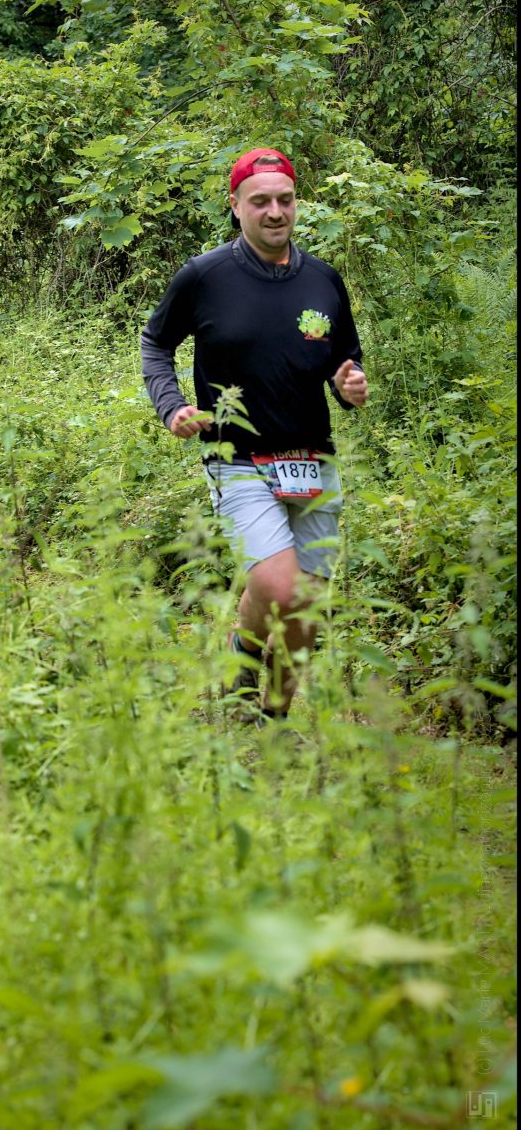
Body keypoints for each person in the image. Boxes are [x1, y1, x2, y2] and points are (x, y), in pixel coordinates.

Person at [141, 147, 368, 726]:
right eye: (260, 201)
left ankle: (270, 716)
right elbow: (156, 344)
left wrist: (349, 385)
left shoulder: (323, 279)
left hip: (313, 458)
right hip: (238, 457)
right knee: (282, 588)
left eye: (285, 200)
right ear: (236, 205)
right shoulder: (205, 276)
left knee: (305, 608)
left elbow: (344, 360)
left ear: (296, 203)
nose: (275, 212)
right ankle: (250, 670)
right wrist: (172, 407)